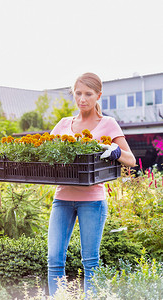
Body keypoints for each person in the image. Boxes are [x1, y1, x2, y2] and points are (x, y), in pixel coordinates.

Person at [47, 72, 136, 297]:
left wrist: (115, 151)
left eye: (88, 94)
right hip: (62, 198)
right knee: (54, 258)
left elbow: (131, 160)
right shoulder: (64, 124)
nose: (82, 99)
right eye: (78, 93)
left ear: (98, 95)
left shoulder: (108, 124)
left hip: (92, 201)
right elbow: (44, 152)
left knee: (90, 261)